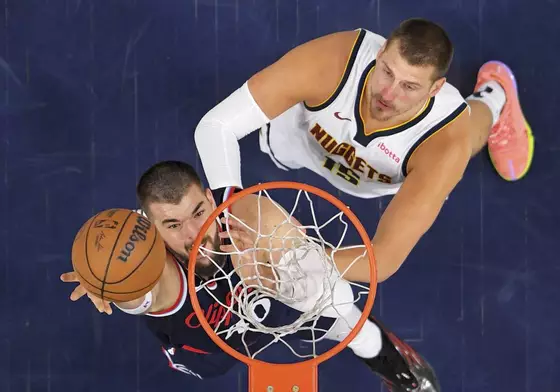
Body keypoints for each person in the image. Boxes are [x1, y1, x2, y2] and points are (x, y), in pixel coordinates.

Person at [193, 18, 534, 283]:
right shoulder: (335, 60)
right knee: (273, 149)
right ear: (381, 51)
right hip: (300, 142)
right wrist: (229, 221)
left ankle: (496, 96)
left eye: (410, 86)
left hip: (380, 180)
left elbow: (382, 261)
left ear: (435, 88)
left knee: (471, 134)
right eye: (387, 71)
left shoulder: (444, 138)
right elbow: (216, 127)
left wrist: (292, 261)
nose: (388, 93)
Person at [61, 160, 440, 392]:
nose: (193, 235)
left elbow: (329, 272)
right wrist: (109, 285)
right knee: (218, 370)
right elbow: (138, 296)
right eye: (172, 225)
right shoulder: (152, 270)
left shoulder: (250, 217)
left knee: (344, 314)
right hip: (206, 342)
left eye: (197, 212)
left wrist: (288, 267)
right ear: (151, 227)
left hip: (271, 304)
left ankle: (392, 362)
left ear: (211, 199)